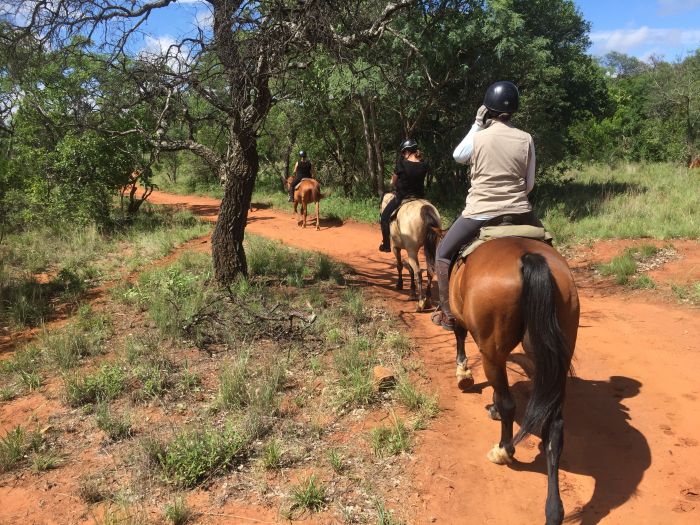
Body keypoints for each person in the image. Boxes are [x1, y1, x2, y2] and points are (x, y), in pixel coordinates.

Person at [432, 80, 543, 331]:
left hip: (480, 212)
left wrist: (476, 124)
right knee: (548, 246)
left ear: (487, 109)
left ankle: (448, 313)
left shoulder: (479, 138)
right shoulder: (526, 139)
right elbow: (529, 184)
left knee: (442, 254)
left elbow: (458, 156)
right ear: (514, 109)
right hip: (520, 211)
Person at [378, 139, 429, 252]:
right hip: (420, 197)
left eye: (403, 152)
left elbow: (393, 182)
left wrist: (393, 184)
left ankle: (386, 245)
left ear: (407, 151)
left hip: (403, 196)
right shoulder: (424, 164)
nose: (403, 155)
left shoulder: (402, 164)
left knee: (384, 218)